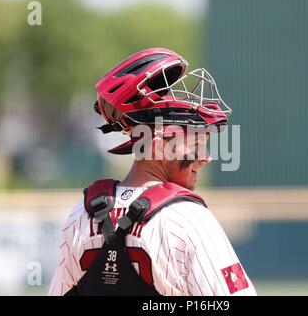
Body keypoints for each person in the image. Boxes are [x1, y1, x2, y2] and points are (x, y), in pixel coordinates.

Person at [48, 48, 257, 296]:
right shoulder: (190, 219)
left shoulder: (80, 216)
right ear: (158, 146)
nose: (206, 157)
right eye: (196, 144)